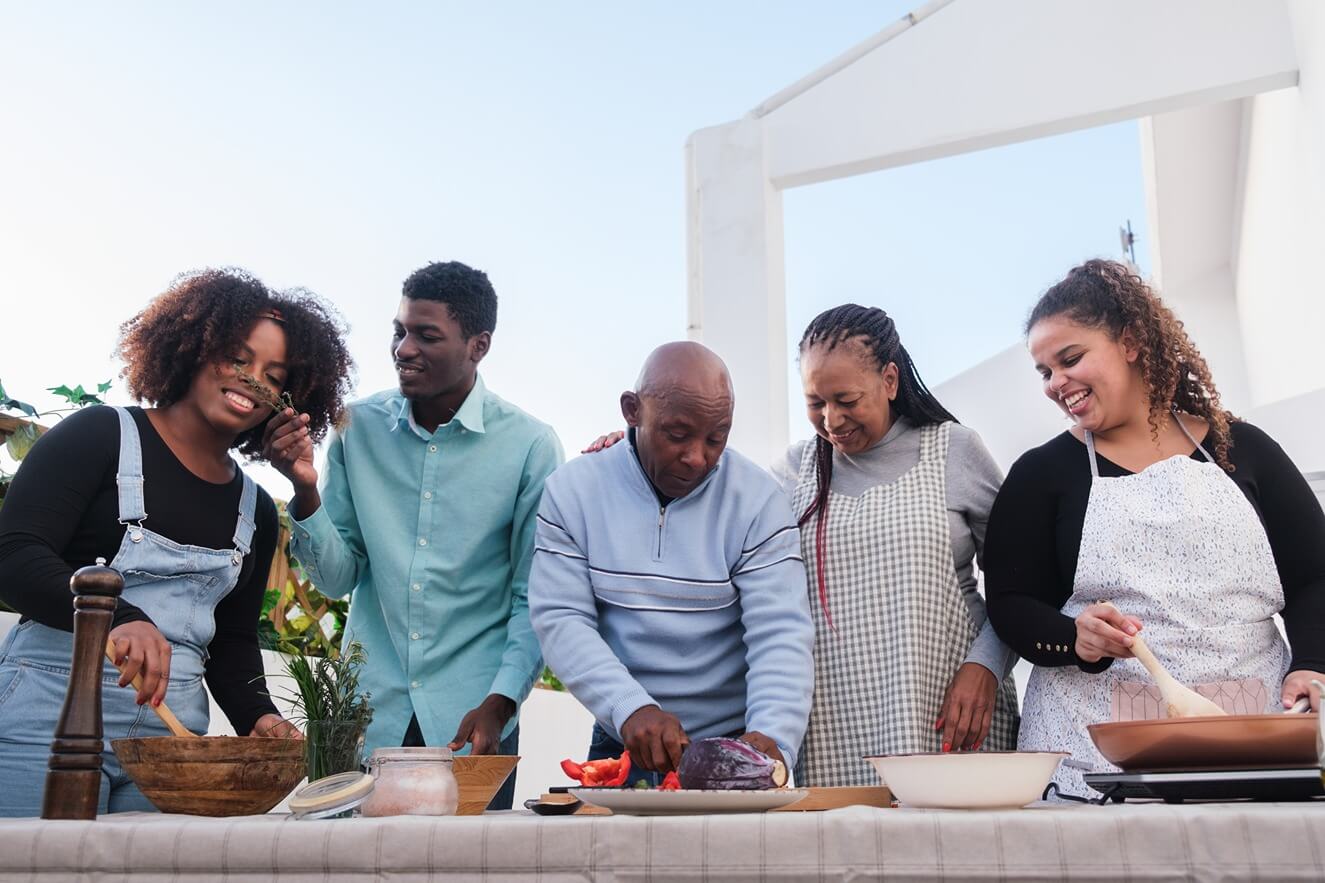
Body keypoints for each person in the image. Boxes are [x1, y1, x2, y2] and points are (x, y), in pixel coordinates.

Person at [0, 268, 353, 816]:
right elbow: (14, 555)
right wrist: (119, 617)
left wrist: (261, 718)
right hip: (48, 717)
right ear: (192, 348)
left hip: (174, 745)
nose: (249, 379)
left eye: (272, 374)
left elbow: (232, 645)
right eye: (237, 359)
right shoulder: (100, 435)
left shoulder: (255, 507)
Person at [983, 259, 1325, 798]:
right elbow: (1009, 601)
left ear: (1132, 342)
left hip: (1250, 733)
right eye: (1045, 372)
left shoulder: (1244, 450)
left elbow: (1314, 577)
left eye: (1070, 359)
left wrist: (1313, 664)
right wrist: (1075, 638)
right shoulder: (1041, 475)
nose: (1055, 384)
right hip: (1095, 751)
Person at [265, 260, 561, 810]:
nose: (404, 348)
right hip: (366, 723)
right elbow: (337, 578)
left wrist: (501, 703)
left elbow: (533, 596)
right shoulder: (357, 429)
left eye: (427, 335)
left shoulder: (530, 447)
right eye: (399, 331)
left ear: (479, 345)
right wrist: (304, 491)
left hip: (475, 725)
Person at [529, 342, 815, 780]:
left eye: (716, 438)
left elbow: (779, 632)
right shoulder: (572, 492)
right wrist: (630, 707)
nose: (697, 457)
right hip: (624, 736)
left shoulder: (758, 503)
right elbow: (562, 618)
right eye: (677, 435)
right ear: (632, 410)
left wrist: (772, 735)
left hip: (737, 745)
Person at [774, 305, 1019, 787]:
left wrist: (985, 666)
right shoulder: (795, 470)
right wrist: (633, 446)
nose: (831, 420)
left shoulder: (955, 450)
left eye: (846, 399)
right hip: (831, 731)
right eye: (814, 403)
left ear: (889, 380)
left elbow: (1022, 584)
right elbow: (712, 504)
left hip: (947, 716)